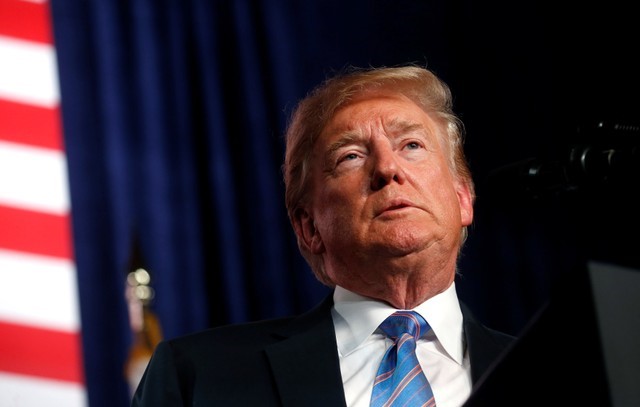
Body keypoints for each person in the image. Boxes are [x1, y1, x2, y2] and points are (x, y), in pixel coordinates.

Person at [131, 64, 515, 407]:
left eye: (411, 145)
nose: (388, 168)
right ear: (309, 228)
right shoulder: (199, 377)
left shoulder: (557, 376)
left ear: (463, 199)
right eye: (350, 156)